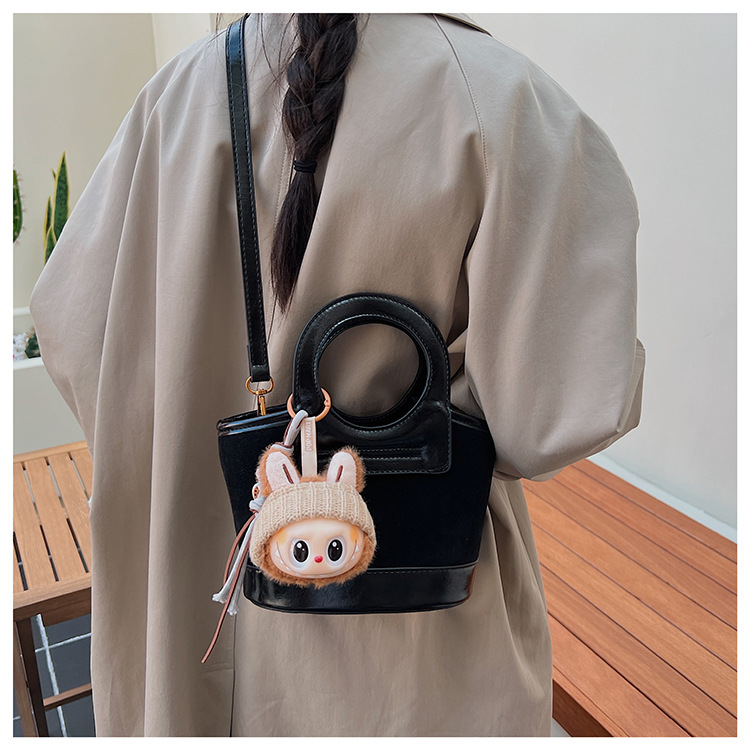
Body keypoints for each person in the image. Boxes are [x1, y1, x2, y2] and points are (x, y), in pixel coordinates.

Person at [30, 13, 645, 737]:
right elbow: (554, 415)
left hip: (188, 605)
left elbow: (74, 336)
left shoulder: (171, 102)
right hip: (410, 657)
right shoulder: (504, 102)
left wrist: (184, 424)